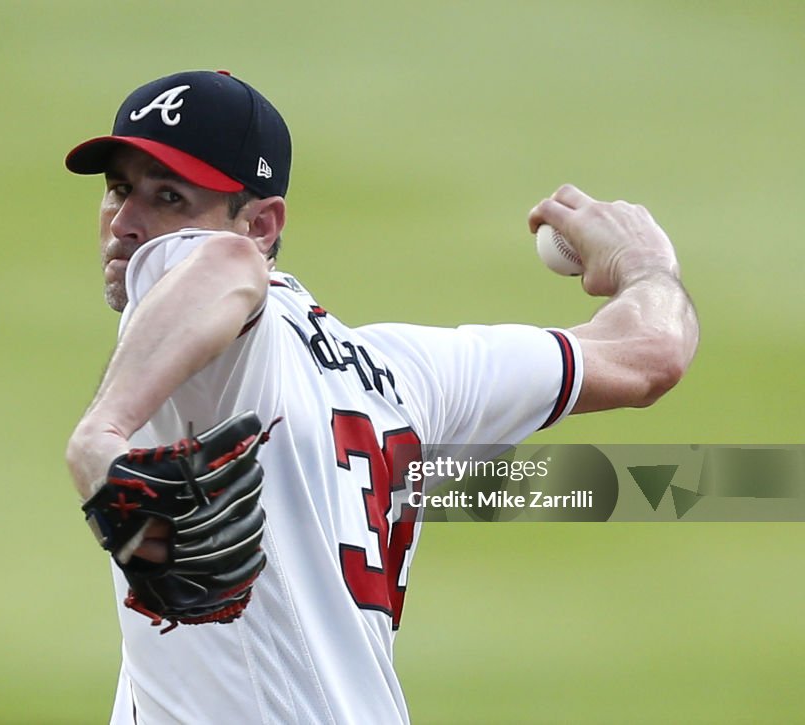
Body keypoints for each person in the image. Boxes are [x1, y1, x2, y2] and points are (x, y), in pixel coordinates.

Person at [63, 69, 699, 724]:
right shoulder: (402, 373)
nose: (126, 226)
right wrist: (647, 265)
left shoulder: (221, 313)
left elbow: (225, 267)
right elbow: (652, 350)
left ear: (260, 225)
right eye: (118, 190)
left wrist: (100, 436)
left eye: (170, 197)